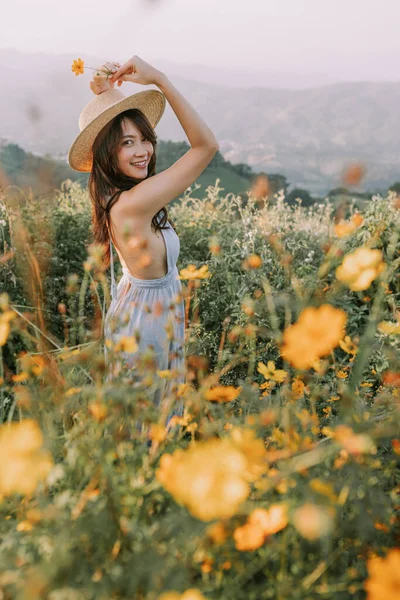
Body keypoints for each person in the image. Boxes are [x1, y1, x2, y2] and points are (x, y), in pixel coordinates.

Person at [67, 55, 219, 427]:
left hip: (146, 312)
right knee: (146, 428)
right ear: (106, 153)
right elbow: (206, 147)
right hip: (145, 326)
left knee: (150, 422)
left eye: (144, 139)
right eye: (126, 144)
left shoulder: (123, 195)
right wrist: (159, 80)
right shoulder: (133, 204)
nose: (142, 151)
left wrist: (110, 96)